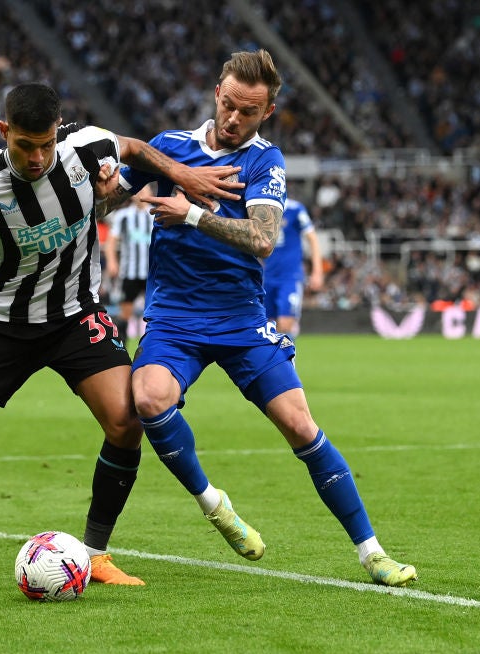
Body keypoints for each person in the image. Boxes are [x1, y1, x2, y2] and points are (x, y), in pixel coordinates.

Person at [0, 82, 243, 585]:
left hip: (73, 315)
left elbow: (133, 147)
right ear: (5, 133)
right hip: (2, 322)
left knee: (126, 423)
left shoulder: (84, 144)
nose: (39, 157)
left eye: (46, 144)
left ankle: (97, 553)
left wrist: (180, 174)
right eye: (26, 145)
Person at [104, 50, 417, 586]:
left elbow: (264, 240)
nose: (232, 119)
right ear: (216, 93)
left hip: (241, 320)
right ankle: (214, 504)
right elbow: (108, 202)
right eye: (227, 104)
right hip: (174, 318)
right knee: (149, 399)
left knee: (301, 425)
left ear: (267, 112)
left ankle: (372, 553)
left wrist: (193, 213)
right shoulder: (168, 148)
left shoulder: (264, 162)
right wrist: (104, 178)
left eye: (247, 112)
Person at [263, 198, 324, 336]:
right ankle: (276, 357)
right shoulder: (261, 208)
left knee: (285, 324)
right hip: (267, 277)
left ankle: (288, 357)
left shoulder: (295, 209)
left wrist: (317, 272)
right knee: (268, 326)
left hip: (290, 277)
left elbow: (312, 237)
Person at [104, 194, 154, 348]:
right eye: (138, 191)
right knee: (125, 313)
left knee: (154, 312)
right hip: (129, 272)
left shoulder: (155, 213)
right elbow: (111, 241)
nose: (141, 194)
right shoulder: (123, 215)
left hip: (152, 273)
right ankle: (121, 348)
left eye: (144, 190)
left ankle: (153, 346)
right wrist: (112, 262)